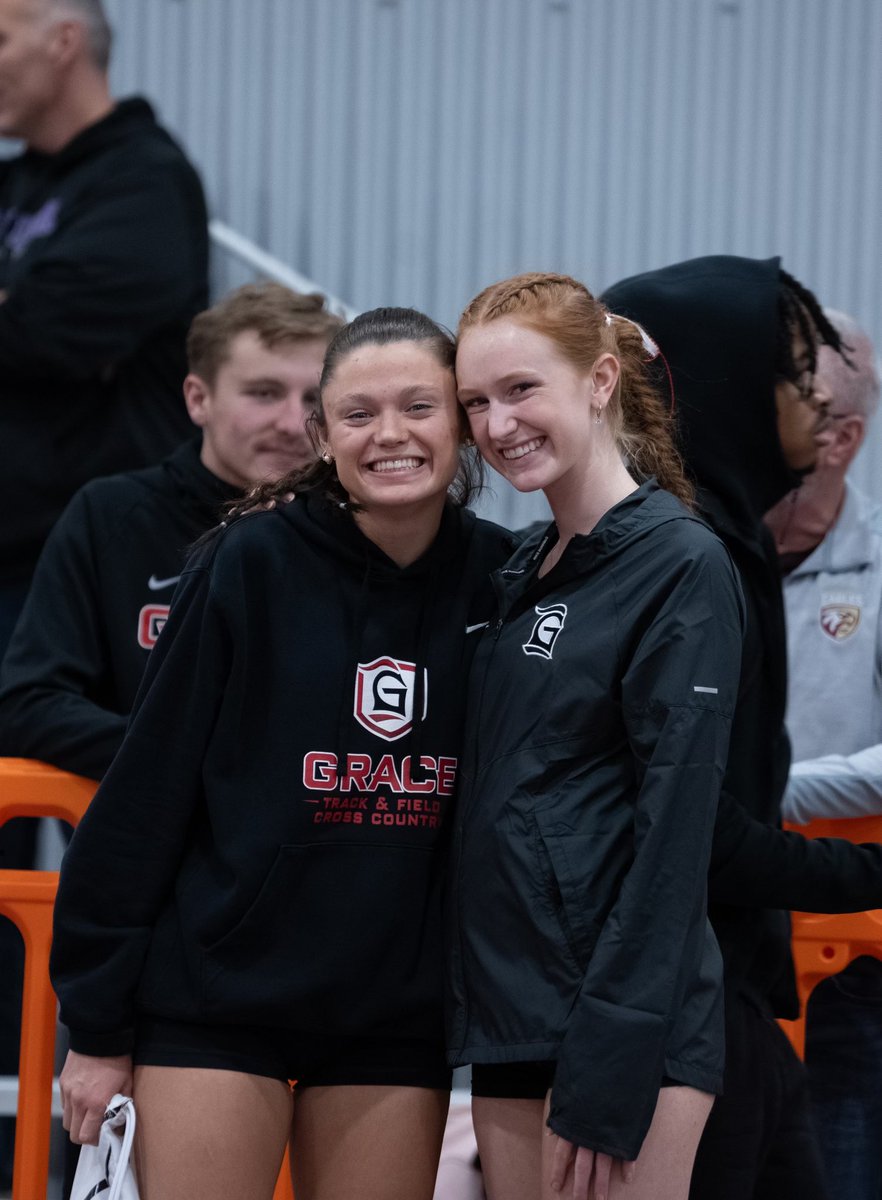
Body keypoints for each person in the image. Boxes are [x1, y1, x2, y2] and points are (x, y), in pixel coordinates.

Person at [49, 308, 518, 1200]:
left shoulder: (508, 581)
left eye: (419, 406)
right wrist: (98, 1028)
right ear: (323, 434)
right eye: (358, 413)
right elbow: (144, 799)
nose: (390, 435)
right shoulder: (246, 564)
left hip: (392, 1015)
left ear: (459, 422)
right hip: (215, 1002)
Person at [448, 271, 745, 1200]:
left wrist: (615, 1050)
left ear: (602, 380)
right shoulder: (527, 567)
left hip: (622, 1026)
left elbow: (674, 832)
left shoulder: (680, 563)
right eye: (475, 403)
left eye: (521, 389)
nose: (497, 426)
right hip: (515, 1010)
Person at [602, 256, 882, 1200]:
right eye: (793, 366)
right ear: (725, 380)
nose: (816, 395)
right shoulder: (691, 557)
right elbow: (697, 831)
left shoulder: (722, 539)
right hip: (677, 1011)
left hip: (737, 997)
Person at [0, 282, 343, 780]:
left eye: (314, 398)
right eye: (264, 393)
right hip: (149, 847)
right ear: (198, 399)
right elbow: (28, 704)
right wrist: (199, 760)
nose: (293, 423)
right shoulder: (112, 516)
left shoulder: (364, 526)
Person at [0, 0, 209, 650]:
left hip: (68, 570)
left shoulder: (146, 181)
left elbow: (38, 330)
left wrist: (19, 306)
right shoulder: (15, 181)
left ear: (62, 42)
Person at [765, 310, 882, 1199]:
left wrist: (754, 793)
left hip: (848, 968)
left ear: (839, 436)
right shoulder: (692, 550)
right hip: (704, 953)